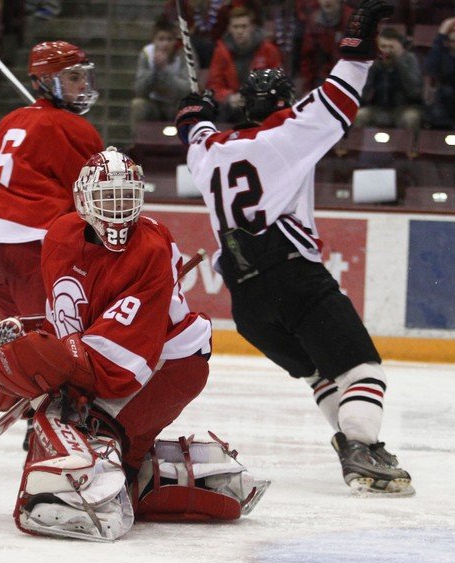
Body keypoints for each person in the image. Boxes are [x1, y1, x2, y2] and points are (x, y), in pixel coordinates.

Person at [175, 0, 414, 496]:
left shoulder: (210, 153)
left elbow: (193, 130)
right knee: (364, 371)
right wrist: (358, 38)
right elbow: (341, 92)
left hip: (245, 301)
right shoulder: (288, 133)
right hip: (293, 277)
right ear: (284, 102)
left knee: (321, 379)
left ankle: (359, 446)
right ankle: (362, 445)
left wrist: (194, 116)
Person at [0, 147, 266, 541]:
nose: (117, 210)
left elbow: (123, 365)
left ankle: (94, 496)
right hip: (128, 355)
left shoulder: (150, 247)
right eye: (106, 198)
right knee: (72, 415)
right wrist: (41, 355)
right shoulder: (59, 236)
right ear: (82, 200)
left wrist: (49, 368)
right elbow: (70, 319)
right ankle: (147, 482)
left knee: (81, 420)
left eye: (126, 198)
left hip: (169, 363)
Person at [0, 41, 103, 323]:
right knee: (47, 343)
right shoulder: (75, 128)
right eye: (74, 77)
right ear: (47, 81)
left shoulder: (13, 119)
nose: (83, 85)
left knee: (20, 342)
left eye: (83, 76)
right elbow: (92, 200)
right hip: (27, 247)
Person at [206, 6, 282, 123]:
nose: (240, 31)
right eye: (235, 27)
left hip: (262, 106)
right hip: (231, 108)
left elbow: (278, 82)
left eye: (244, 26)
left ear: (252, 27)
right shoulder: (221, 51)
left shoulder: (268, 50)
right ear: (229, 29)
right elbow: (214, 85)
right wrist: (229, 97)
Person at [354, 25, 423, 139]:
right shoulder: (372, 61)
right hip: (378, 108)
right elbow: (363, 95)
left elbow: (415, 91)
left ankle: (408, 152)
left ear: (400, 47)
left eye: (391, 47)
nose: (386, 51)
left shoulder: (409, 59)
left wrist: (400, 62)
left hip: (403, 108)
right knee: (360, 115)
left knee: (412, 118)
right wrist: (373, 66)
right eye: (383, 46)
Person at [130, 16, 191, 131]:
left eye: (169, 39)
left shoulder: (183, 55)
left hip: (176, 105)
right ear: (154, 40)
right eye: (161, 39)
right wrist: (155, 71)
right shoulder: (147, 54)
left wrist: (165, 72)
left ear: (175, 41)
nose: (165, 44)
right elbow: (139, 90)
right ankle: (137, 143)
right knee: (138, 104)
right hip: (154, 104)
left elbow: (187, 90)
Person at [298, 0, 354, 92]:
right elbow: (307, 57)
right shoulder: (314, 22)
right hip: (322, 80)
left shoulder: (352, 19)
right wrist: (308, 86)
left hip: (349, 80)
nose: (327, 1)